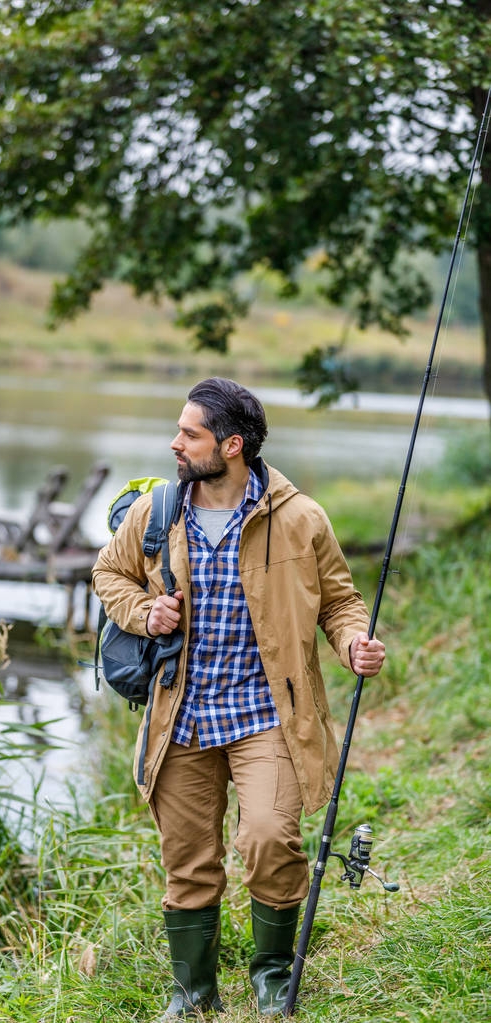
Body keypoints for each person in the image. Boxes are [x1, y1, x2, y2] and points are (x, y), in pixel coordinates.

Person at [92, 378, 386, 1019]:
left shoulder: (301, 517)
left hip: (267, 716)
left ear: (230, 446)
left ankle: (273, 977)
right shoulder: (159, 509)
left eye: (188, 434)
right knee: (189, 859)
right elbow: (107, 573)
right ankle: (193, 992)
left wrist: (355, 642)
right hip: (181, 714)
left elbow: (339, 602)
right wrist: (145, 613)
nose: (174, 444)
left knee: (268, 839)